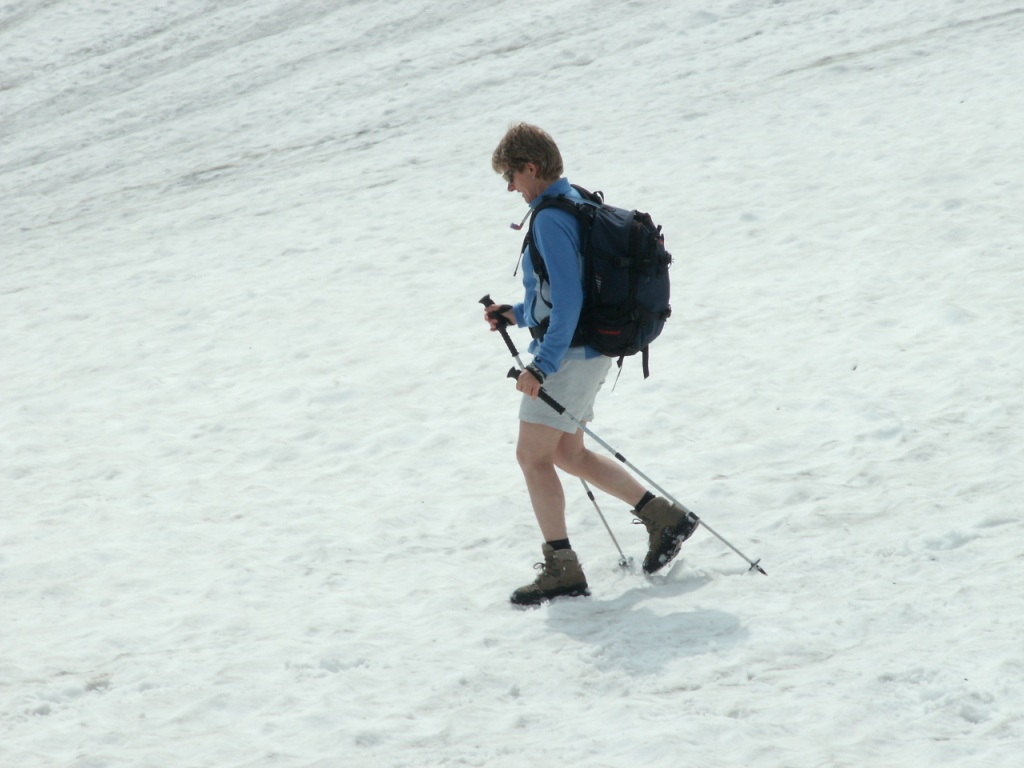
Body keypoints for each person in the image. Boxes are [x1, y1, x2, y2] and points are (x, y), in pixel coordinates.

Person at [484, 123, 698, 606]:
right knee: (568, 453)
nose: (511, 187)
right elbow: (566, 293)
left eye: (511, 176)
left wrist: (541, 366)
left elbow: (569, 300)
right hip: (590, 350)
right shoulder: (576, 200)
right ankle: (664, 519)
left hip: (569, 356)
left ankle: (563, 569)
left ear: (531, 168)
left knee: (532, 457)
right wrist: (516, 314)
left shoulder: (549, 219)